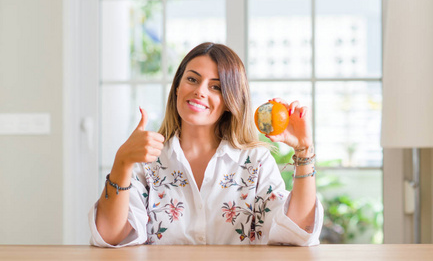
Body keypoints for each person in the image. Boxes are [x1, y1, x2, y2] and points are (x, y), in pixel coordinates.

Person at [89, 42, 323, 246]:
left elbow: (296, 232)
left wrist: (304, 151)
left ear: (231, 100)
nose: (199, 91)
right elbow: (111, 237)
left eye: (216, 86)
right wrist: (122, 162)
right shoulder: (146, 161)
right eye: (192, 79)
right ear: (178, 87)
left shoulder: (255, 161)